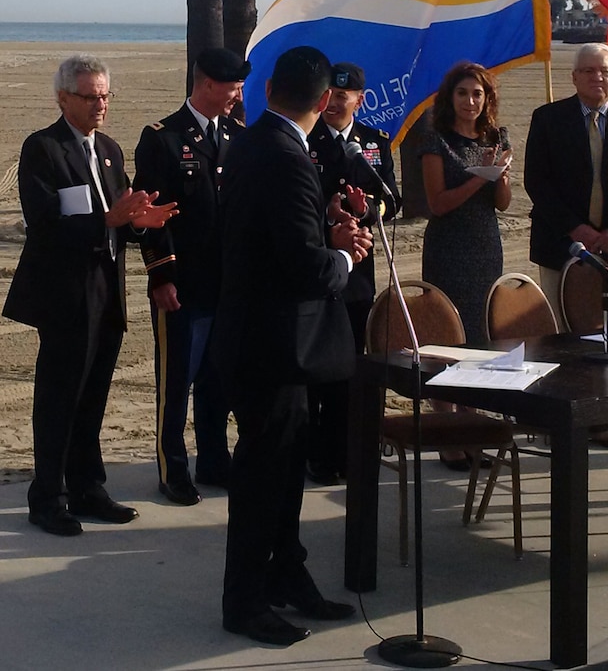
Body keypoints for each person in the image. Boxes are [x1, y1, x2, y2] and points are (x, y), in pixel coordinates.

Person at [213, 46, 372, 646]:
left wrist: (324, 232)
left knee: (284, 473)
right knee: (263, 477)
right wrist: (343, 256)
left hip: (273, 338)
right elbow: (304, 265)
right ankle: (244, 601)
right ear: (325, 99)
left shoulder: (262, 142)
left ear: (271, 87)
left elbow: (276, 236)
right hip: (270, 342)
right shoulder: (283, 155)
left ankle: (287, 574)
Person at [3, 54, 177, 537]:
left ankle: (88, 487)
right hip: (63, 296)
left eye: (105, 94)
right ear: (63, 99)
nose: (100, 104)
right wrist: (109, 221)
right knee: (59, 399)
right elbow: (43, 223)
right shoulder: (43, 148)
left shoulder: (111, 150)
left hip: (106, 293)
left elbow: (120, 215)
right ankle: (49, 497)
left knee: (95, 395)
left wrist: (140, 223)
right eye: (90, 96)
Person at [133, 48, 251, 506]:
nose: (236, 94)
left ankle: (214, 462)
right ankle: (173, 469)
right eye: (231, 86)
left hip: (227, 287)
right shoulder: (162, 139)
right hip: (182, 287)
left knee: (218, 380)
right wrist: (161, 277)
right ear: (206, 84)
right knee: (176, 382)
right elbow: (150, 217)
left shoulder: (237, 136)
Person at [305, 61, 401, 485]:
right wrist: (331, 214)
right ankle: (316, 451)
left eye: (346, 95)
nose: (337, 101)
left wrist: (367, 210)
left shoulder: (374, 143)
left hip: (359, 272)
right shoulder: (307, 139)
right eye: (332, 93)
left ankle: (347, 447)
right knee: (317, 366)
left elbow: (393, 201)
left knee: (352, 365)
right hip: (319, 265)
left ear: (359, 99)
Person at [525, 42, 608, 331]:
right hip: (560, 244)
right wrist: (575, 228)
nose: (596, 77)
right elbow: (537, 181)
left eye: (604, 71)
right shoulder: (548, 119)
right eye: (588, 70)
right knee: (562, 333)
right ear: (574, 77)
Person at [419, 62, 511, 470]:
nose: (470, 101)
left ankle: (472, 426)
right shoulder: (435, 138)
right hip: (449, 245)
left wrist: (501, 176)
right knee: (447, 337)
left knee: (479, 335)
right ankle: (446, 432)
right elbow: (436, 203)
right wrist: (478, 178)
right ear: (450, 97)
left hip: (484, 243)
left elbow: (503, 204)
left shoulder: (495, 137)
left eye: (477, 94)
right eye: (462, 94)